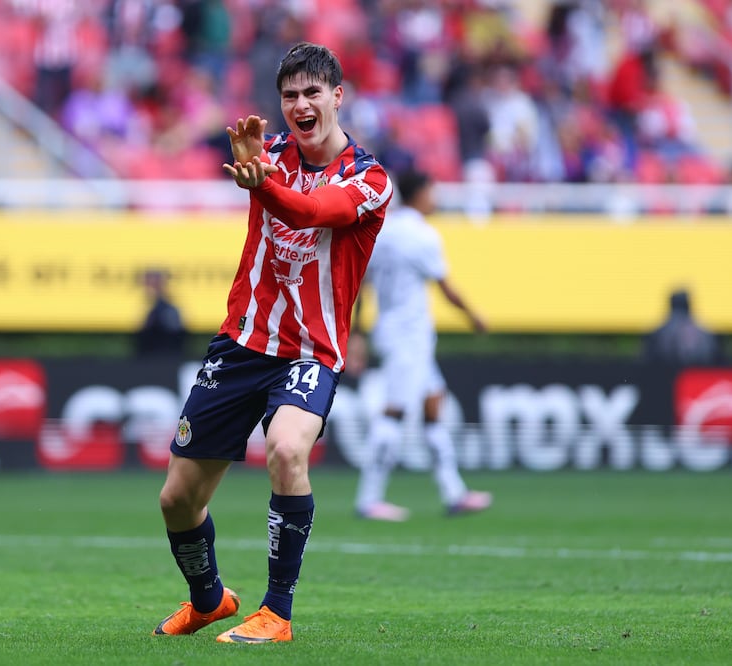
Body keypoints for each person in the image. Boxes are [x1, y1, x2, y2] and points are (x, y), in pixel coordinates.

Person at [152, 42, 391, 644]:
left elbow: (311, 211)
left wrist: (259, 185)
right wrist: (243, 161)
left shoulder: (370, 179)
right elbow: (230, 155)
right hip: (241, 344)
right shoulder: (271, 154)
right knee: (177, 501)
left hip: (311, 352)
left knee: (287, 451)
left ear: (338, 96)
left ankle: (276, 612)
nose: (301, 104)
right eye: (290, 95)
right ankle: (209, 601)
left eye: (313, 92)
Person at [353, 167, 492, 522]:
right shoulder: (422, 236)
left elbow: (360, 288)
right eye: (433, 191)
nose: (437, 199)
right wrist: (474, 317)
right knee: (395, 410)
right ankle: (369, 498)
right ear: (421, 194)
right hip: (407, 336)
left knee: (433, 404)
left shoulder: (381, 232)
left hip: (395, 330)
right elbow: (446, 288)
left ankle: (454, 492)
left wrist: (356, 331)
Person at [642, 288, 722, 365]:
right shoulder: (705, 331)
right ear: (688, 304)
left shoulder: (660, 331)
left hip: (666, 375)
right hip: (700, 375)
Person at [135, 268, 186, 356]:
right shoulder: (146, 305)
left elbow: (174, 335)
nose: (148, 287)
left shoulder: (168, 309)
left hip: (163, 357)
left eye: (153, 284)